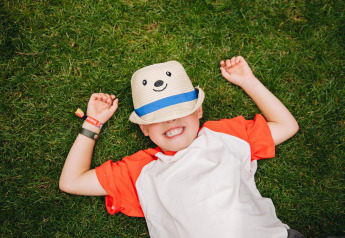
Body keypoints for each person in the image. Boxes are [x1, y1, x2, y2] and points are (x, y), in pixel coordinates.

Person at [60, 56, 302, 237]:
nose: (170, 120)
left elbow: (286, 126)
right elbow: (71, 182)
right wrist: (93, 123)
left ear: (198, 111)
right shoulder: (140, 171)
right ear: (144, 129)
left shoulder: (223, 135)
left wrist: (248, 81)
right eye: (157, 118)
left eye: (180, 111)